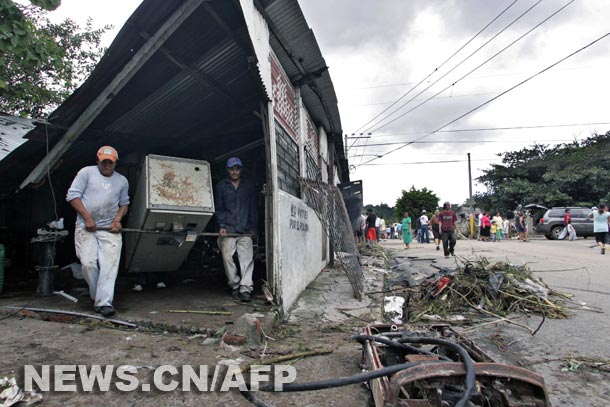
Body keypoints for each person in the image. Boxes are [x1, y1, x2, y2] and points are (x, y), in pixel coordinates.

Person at [66, 146, 129, 317]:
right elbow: (73, 196)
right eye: (104, 162)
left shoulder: (122, 180)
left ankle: (104, 303)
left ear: (115, 163)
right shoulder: (86, 173)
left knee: (109, 265)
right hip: (86, 226)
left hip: (109, 227)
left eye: (110, 162)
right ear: (97, 160)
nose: (107, 165)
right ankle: (97, 296)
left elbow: (124, 204)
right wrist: (87, 218)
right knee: (88, 263)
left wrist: (117, 221)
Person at [215, 157, 258, 302]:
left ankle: (245, 289)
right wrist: (221, 226)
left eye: (237, 168)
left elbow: (253, 208)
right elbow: (219, 208)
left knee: (246, 259)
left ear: (241, 170)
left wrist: (253, 228)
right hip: (228, 228)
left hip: (245, 229)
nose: (234, 171)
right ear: (227, 170)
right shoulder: (222, 186)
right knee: (227, 258)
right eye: (232, 169)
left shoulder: (248, 186)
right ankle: (234, 284)